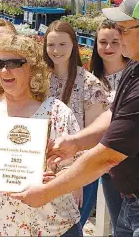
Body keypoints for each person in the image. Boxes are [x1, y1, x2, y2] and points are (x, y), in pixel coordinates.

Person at [11, 0, 139, 236]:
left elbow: (107, 156)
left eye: (123, 29)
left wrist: (47, 193)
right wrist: (76, 141)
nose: (117, 36)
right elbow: (115, 114)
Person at [0, 34, 82, 236]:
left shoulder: (58, 113)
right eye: (0, 63)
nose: (5, 70)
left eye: (15, 63)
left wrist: (55, 182)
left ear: (33, 68)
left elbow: (79, 170)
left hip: (52, 229)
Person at [44, 20, 108, 226]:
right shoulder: (39, 80)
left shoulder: (90, 84)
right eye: (51, 45)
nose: (56, 50)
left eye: (62, 44)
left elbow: (93, 136)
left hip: (79, 170)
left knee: (72, 227)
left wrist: (76, 178)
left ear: (74, 44)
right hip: (43, 169)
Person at [88, 19, 128, 233]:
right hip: (100, 160)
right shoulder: (89, 79)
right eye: (103, 42)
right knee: (118, 223)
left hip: (128, 160)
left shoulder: (135, 74)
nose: (108, 47)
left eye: (115, 41)